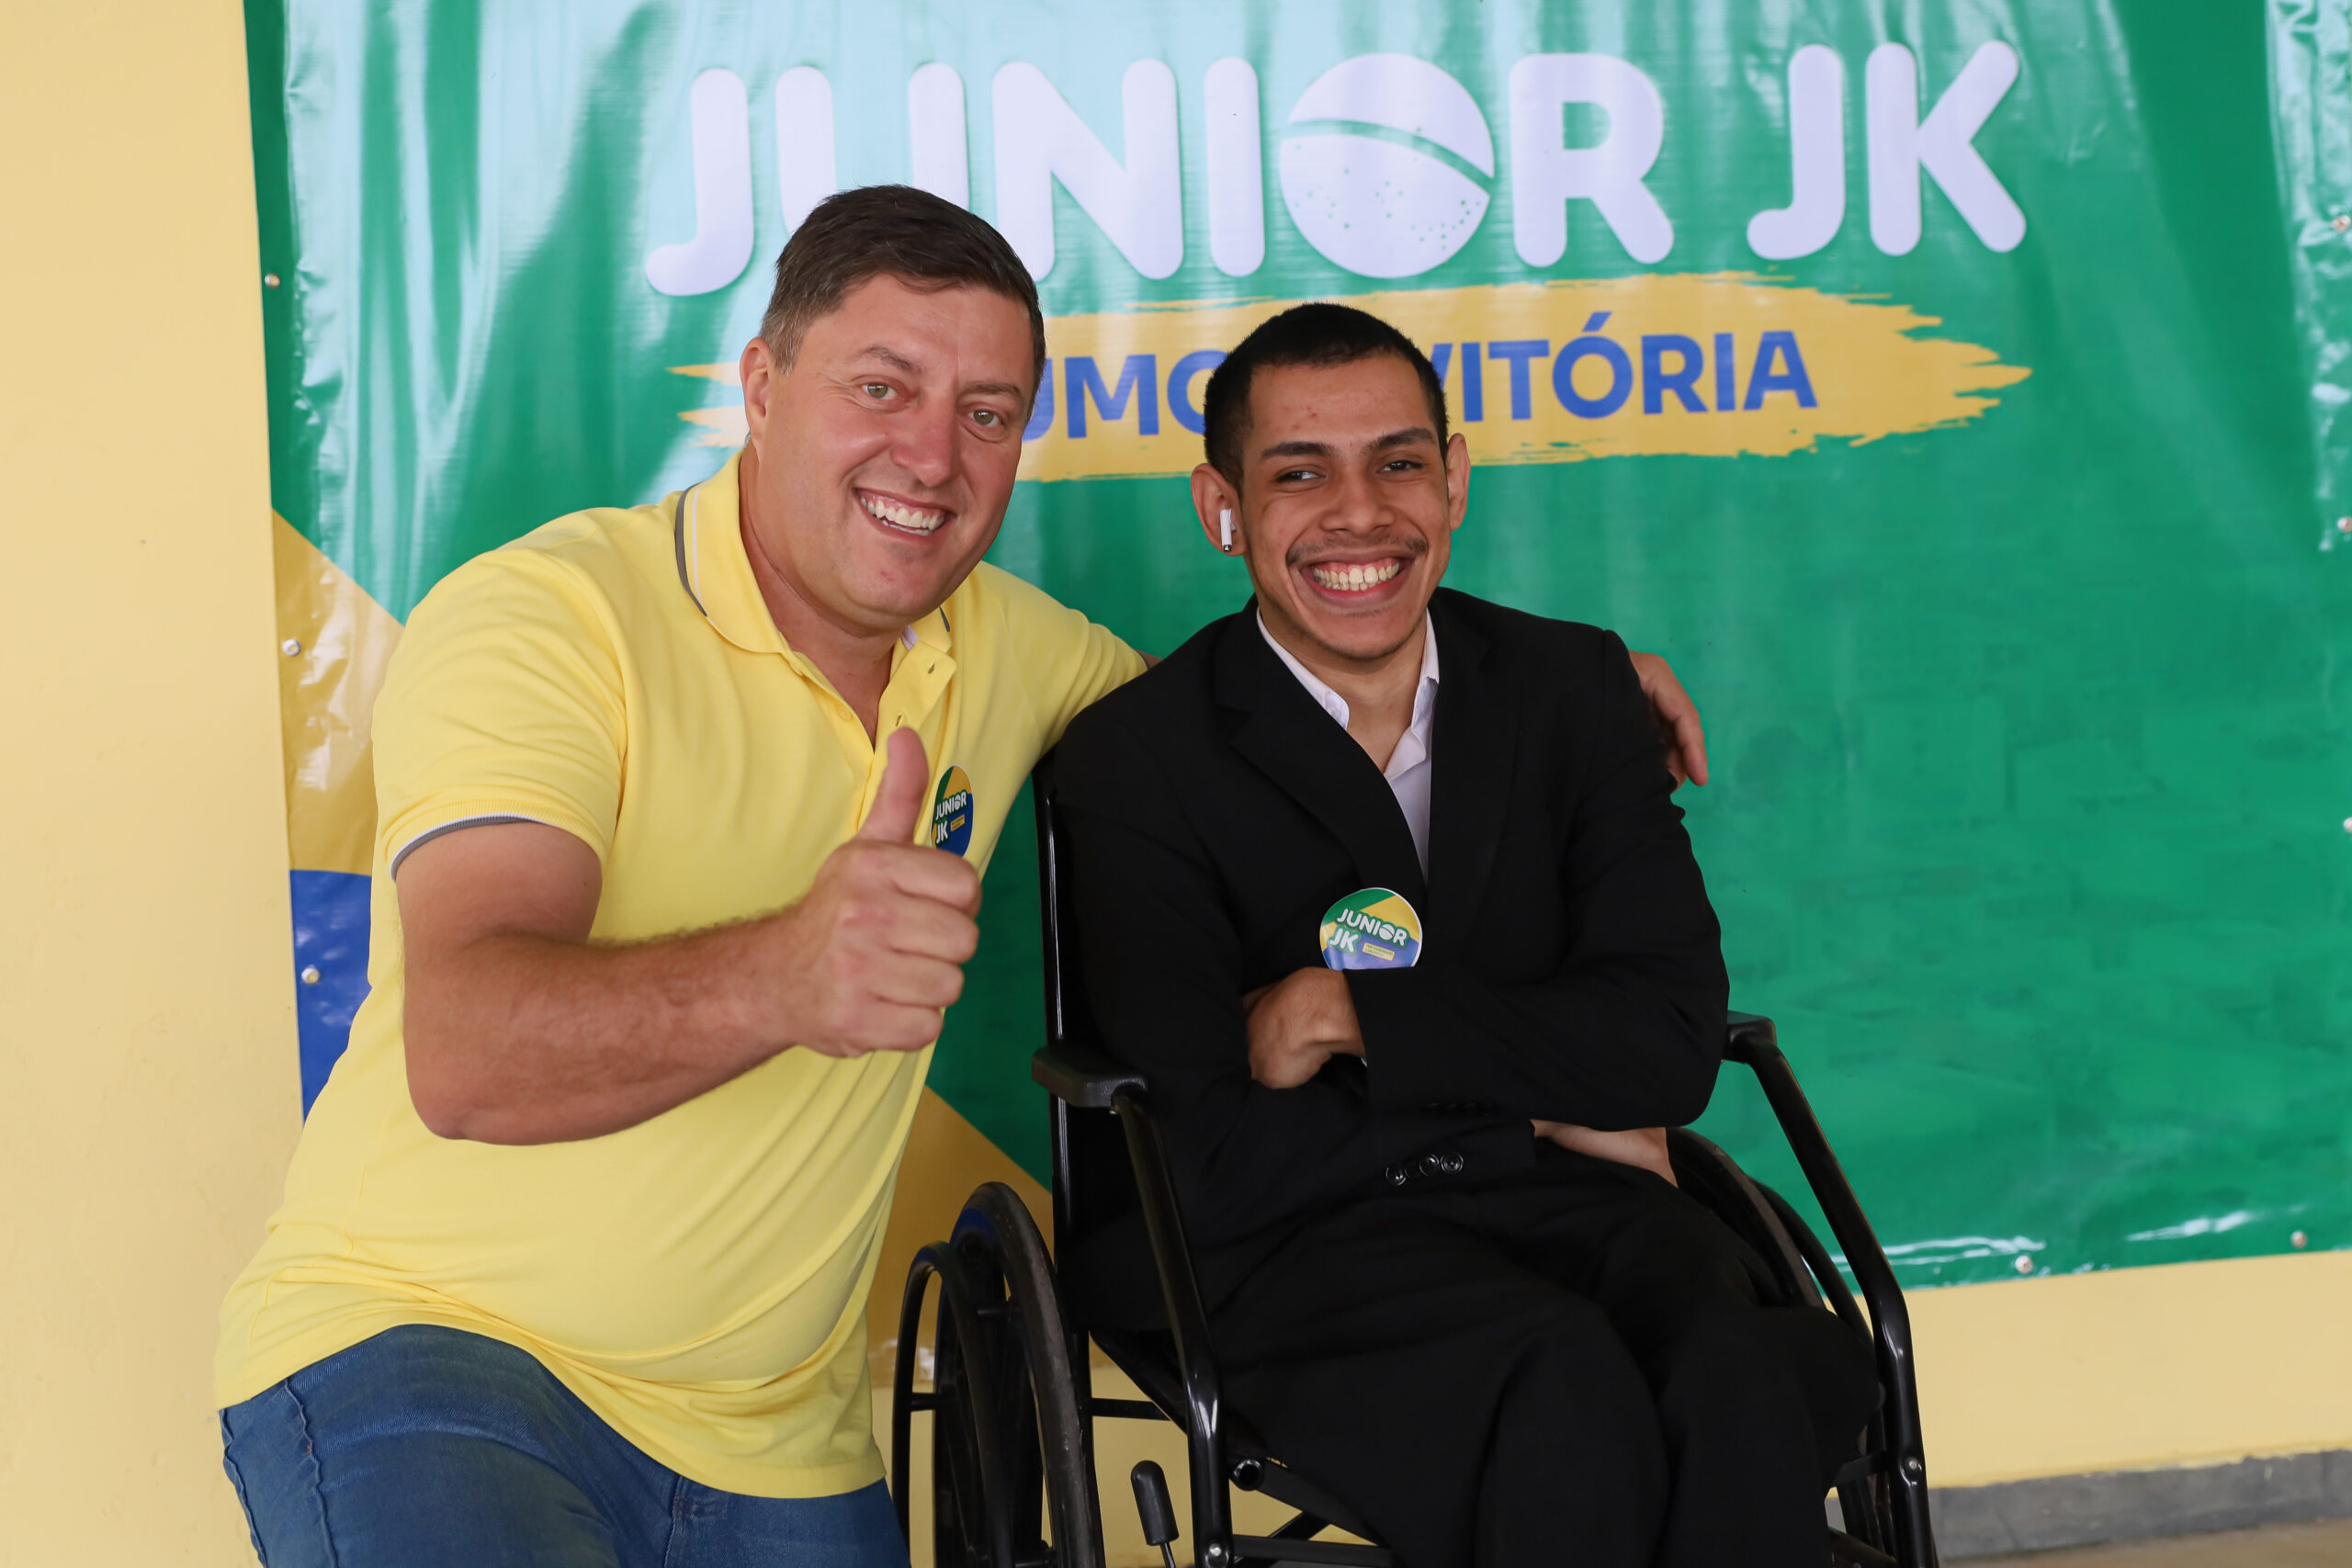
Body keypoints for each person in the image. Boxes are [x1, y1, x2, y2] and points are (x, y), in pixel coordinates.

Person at [216, 187, 1712, 1567]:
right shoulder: (549, 621)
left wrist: (1550, 696)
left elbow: (1280, 722)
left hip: (772, 1439)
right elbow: (467, 1052)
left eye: (986, 413)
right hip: (438, 1356)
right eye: (882, 388)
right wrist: (786, 974)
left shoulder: (1013, 652)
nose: (932, 456)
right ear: (759, 386)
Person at [1051, 301, 1878, 1568]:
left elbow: (1665, 1049)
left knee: (1743, 1364)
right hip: (1291, 1254)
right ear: (1224, 509)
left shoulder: (1573, 690)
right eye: (1299, 474)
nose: (1360, 513)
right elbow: (1208, 1157)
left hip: (1576, 1207)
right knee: (1562, 1390)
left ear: (1455, 481)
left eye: (1398, 462)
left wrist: (1348, 1018)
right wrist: (1538, 1106)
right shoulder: (1137, 758)